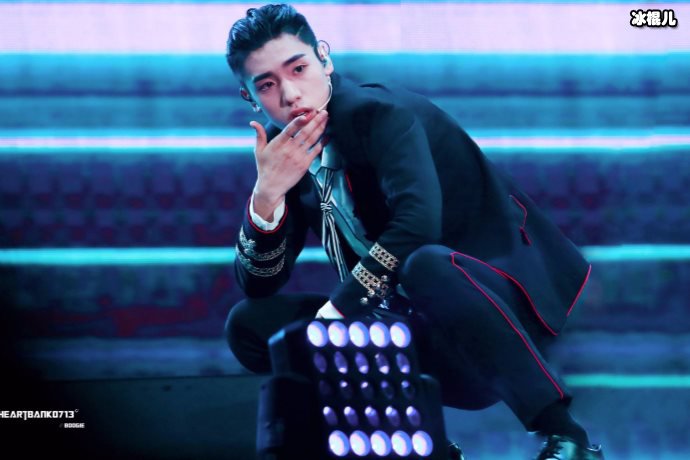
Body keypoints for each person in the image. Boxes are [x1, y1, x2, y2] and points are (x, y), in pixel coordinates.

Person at [223, 4, 604, 459]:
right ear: (250, 97)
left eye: (299, 69)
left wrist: (339, 311)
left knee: (424, 264)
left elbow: (417, 224)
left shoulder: (380, 114)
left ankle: (567, 437)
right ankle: (424, 445)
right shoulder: (284, 150)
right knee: (251, 325)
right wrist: (266, 196)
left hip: (500, 311)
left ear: (324, 58)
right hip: (413, 335)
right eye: (267, 85)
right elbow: (259, 284)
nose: (290, 94)